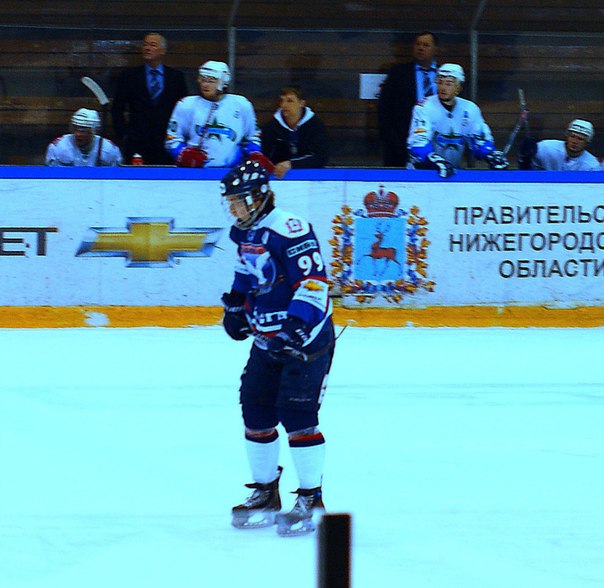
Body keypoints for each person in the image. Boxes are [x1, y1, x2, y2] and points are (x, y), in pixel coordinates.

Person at [220, 158, 335, 537]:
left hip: (306, 339)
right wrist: (236, 306)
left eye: (237, 201)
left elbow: (314, 284)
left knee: (297, 415)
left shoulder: (291, 230)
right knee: (255, 410)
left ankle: (311, 497)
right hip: (267, 340)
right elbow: (247, 273)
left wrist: (295, 329)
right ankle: (266, 493)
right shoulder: (246, 232)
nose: (233, 209)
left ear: (258, 197)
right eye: (230, 202)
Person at [407, 63, 509, 178]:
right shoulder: (424, 107)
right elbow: (418, 142)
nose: (443, 88)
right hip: (421, 173)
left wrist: (490, 154)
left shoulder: (470, 109)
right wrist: (432, 158)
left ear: (459, 87)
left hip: (453, 172)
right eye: (440, 82)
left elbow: (479, 140)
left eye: (448, 84)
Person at [165, 61, 261, 167]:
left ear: (223, 82)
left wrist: (253, 153)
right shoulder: (186, 104)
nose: (205, 85)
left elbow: (253, 137)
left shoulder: (241, 104)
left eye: (211, 81)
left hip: (231, 170)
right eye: (203, 80)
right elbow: (172, 138)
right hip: (195, 171)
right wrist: (183, 155)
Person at [111, 32, 188, 165]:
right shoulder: (129, 76)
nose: (147, 48)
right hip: (136, 141)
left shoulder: (176, 77)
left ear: (163, 50)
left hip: (166, 141)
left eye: (153, 45)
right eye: (145, 45)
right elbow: (117, 108)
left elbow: (184, 109)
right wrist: (124, 135)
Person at [378, 31, 440, 167]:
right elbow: (385, 108)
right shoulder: (399, 73)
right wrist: (393, 140)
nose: (420, 48)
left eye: (426, 45)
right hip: (402, 145)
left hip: (438, 144)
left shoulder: (445, 74)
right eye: (418, 44)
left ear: (435, 49)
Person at [261, 85, 329, 178]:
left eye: (290, 101)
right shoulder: (271, 126)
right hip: (278, 178)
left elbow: (321, 157)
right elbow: (265, 155)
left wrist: (291, 164)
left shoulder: (315, 125)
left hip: (310, 177)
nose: (284, 105)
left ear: (302, 103)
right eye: (282, 101)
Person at [45, 108, 122, 166]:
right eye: (75, 128)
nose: (78, 134)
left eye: (83, 130)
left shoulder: (109, 149)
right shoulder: (58, 147)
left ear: (94, 131)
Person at [518, 119, 600, 171]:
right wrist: (525, 158)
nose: (575, 141)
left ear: (587, 142)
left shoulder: (592, 166)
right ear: (567, 136)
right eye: (572, 136)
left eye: (580, 139)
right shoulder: (546, 147)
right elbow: (528, 169)